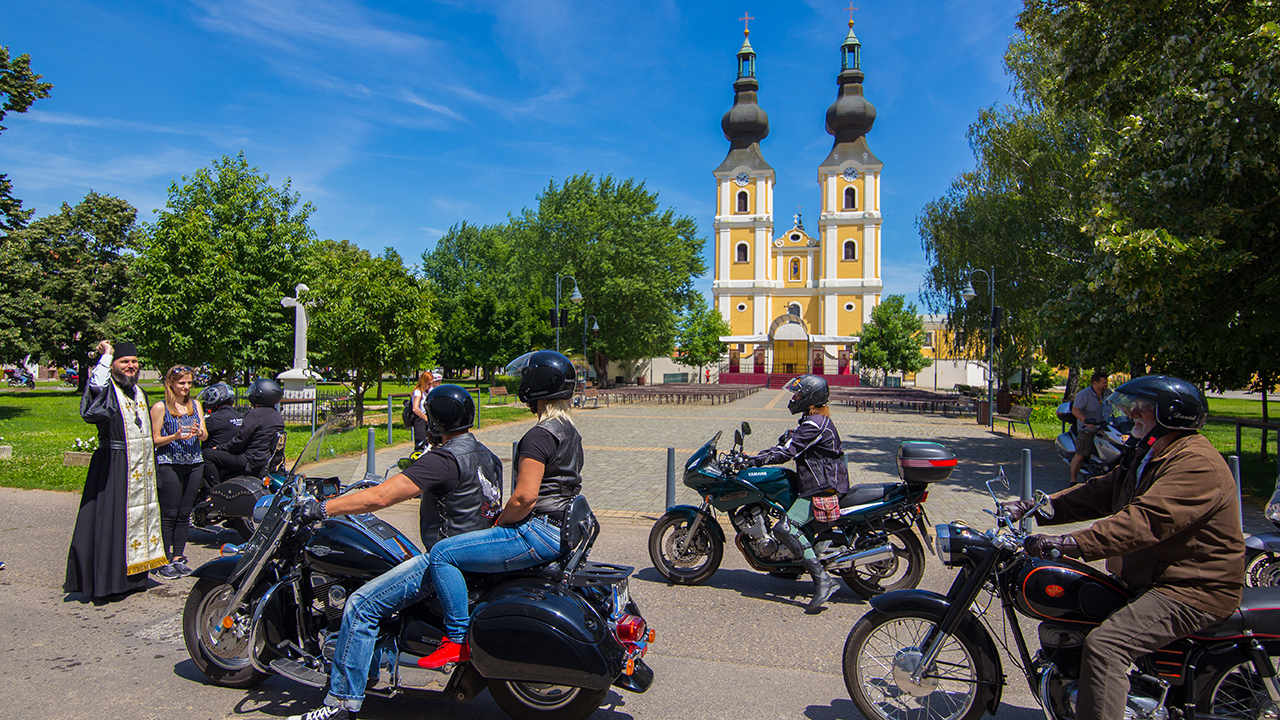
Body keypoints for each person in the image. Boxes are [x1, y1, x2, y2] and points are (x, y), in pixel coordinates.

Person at [1003, 375, 1244, 720]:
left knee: (1105, 646)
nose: (1132, 415)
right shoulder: (1152, 453)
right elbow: (1101, 491)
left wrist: (1070, 543)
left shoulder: (1195, 464)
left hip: (1192, 587)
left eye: (1142, 409)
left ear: (1170, 415)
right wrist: (1035, 508)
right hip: (1156, 576)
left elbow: (1144, 521)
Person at [286, 385, 503, 720]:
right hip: (477, 558)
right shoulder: (486, 455)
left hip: (446, 563)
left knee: (360, 606)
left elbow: (382, 497)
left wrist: (324, 508)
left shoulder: (444, 459)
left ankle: (341, 704)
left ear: (433, 420)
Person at [421, 350, 582, 669]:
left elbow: (524, 498)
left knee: (442, 553)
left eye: (526, 376)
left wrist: (500, 525)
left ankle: (455, 640)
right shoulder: (570, 432)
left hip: (539, 530)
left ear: (536, 385)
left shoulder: (539, 435)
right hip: (563, 528)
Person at [64, 340, 167, 600]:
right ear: (113, 366)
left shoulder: (138, 392)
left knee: (136, 520)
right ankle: (107, 581)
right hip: (114, 463)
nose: (131, 366)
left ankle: (132, 578)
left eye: (134, 361)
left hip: (140, 466)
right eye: (124, 362)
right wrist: (106, 357)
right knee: (113, 521)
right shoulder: (108, 389)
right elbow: (95, 388)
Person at [741, 374, 850, 613]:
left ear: (811, 398)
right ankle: (788, 567)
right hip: (818, 483)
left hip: (822, 488)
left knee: (785, 528)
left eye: (798, 395)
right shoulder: (813, 420)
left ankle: (823, 580)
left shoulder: (814, 425)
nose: (794, 398)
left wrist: (753, 461)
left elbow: (787, 452)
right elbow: (793, 442)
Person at [149, 365, 208, 579]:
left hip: (193, 462)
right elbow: (154, 440)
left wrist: (198, 432)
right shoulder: (161, 407)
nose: (185, 387)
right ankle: (163, 558)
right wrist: (174, 436)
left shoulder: (195, 405)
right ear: (171, 384)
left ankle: (178, 556)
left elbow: (204, 436)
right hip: (170, 463)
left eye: (189, 383)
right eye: (181, 383)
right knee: (169, 514)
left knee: (185, 513)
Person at [204, 378, 285, 482]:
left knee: (207, 454)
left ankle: (212, 491)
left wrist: (220, 448)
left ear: (259, 396)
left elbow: (240, 441)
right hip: (267, 461)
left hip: (250, 461)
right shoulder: (276, 415)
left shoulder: (255, 414)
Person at [1069, 370, 1111, 484]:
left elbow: (1116, 405)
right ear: (1095, 383)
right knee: (1080, 455)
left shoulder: (1108, 393)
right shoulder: (1084, 394)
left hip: (1104, 428)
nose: (1106, 384)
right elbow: (1075, 410)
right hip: (1088, 429)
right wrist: (1086, 421)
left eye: (1106, 382)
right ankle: (1073, 481)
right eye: (1103, 382)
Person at [409, 370, 432, 450]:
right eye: (428, 384)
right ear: (423, 382)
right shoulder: (418, 392)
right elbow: (415, 408)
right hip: (420, 420)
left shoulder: (425, 392)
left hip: (425, 420)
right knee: (420, 445)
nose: (430, 386)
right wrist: (425, 418)